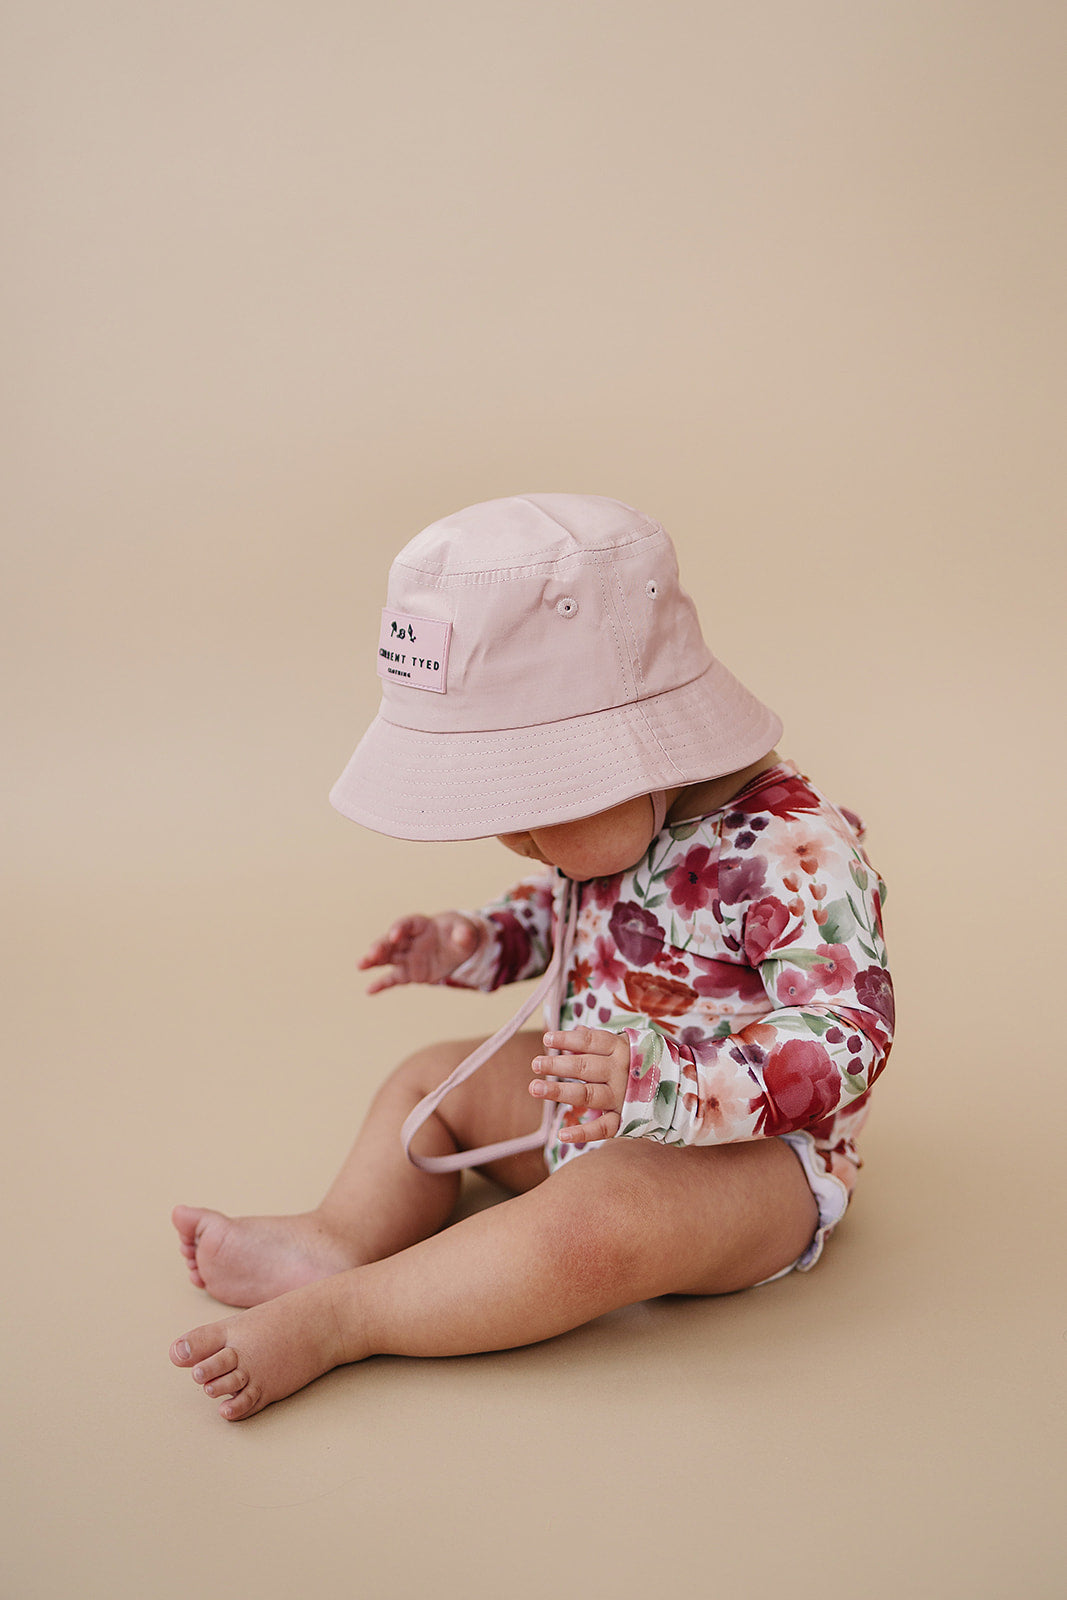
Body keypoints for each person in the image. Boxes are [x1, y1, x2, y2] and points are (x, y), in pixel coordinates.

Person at [170, 494, 893, 1421]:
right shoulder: (622, 825)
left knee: (602, 1214)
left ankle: (347, 1316)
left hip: (748, 1165)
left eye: (530, 809)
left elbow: (846, 1034)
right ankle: (339, 1237)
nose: (514, 840)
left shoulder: (795, 852)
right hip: (587, 1103)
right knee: (429, 1080)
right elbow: (571, 916)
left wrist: (659, 1081)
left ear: (637, 755)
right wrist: (473, 941)